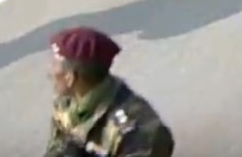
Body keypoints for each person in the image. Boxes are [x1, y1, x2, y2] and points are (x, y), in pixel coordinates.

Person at [46, 27, 174, 157]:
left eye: (55, 65)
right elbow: (56, 148)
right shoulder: (67, 104)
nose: (49, 73)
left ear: (70, 77)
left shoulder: (137, 130)